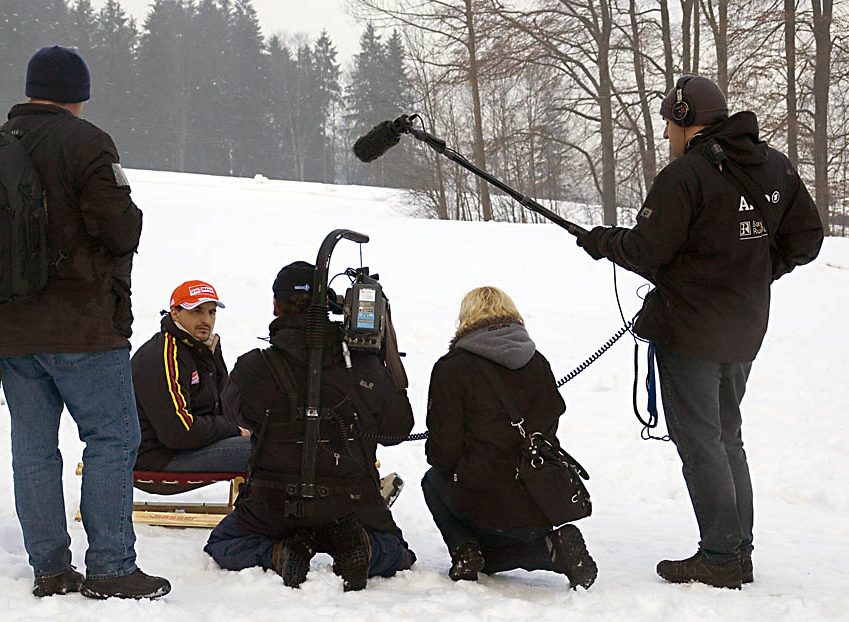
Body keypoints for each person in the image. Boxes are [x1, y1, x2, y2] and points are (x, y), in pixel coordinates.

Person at [576, 75, 824, 588]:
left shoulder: (685, 175)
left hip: (691, 331)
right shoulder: (773, 164)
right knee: (727, 436)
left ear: (687, 120)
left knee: (702, 441)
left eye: (670, 120)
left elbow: (646, 251)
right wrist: (754, 273)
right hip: (744, 327)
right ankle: (738, 550)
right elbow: (805, 239)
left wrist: (602, 242)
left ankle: (721, 554)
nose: (666, 131)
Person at [0, 46, 169, 600]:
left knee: (34, 450)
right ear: (79, 95)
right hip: (82, 325)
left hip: (12, 329)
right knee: (113, 437)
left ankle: (49, 568)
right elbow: (118, 228)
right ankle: (111, 565)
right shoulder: (88, 143)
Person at [204, 261, 416, 591]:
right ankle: (364, 549)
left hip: (274, 503)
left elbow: (234, 416)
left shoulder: (254, 366)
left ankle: (279, 551)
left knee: (223, 544)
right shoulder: (361, 364)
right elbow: (398, 429)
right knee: (397, 552)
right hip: (352, 501)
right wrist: (380, 358)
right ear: (332, 305)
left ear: (276, 306)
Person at [422, 286, 598, 589]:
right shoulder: (537, 361)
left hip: (482, 502)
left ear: (466, 319)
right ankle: (549, 548)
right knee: (499, 515)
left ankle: (467, 549)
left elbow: (443, 452)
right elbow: (552, 423)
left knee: (432, 481)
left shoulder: (452, 368)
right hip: (542, 499)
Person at [131, 280, 250, 473]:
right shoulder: (164, 354)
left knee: (272, 441)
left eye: (211, 312)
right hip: (157, 458)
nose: (206, 320)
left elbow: (224, 403)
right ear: (175, 314)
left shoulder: (203, 348)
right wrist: (233, 428)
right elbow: (178, 432)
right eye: (197, 311)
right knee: (259, 451)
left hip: (186, 448)